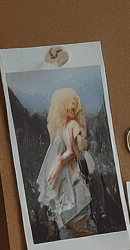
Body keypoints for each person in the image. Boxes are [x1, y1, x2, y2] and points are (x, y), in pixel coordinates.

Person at [36, 88, 94, 238]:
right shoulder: (70, 126)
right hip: (70, 179)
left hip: (71, 178)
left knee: (74, 224)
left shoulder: (70, 126)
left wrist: (59, 161)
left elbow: (72, 150)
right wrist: (59, 161)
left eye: (75, 104)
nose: (72, 107)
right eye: (69, 104)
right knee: (75, 225)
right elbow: (71, 150)